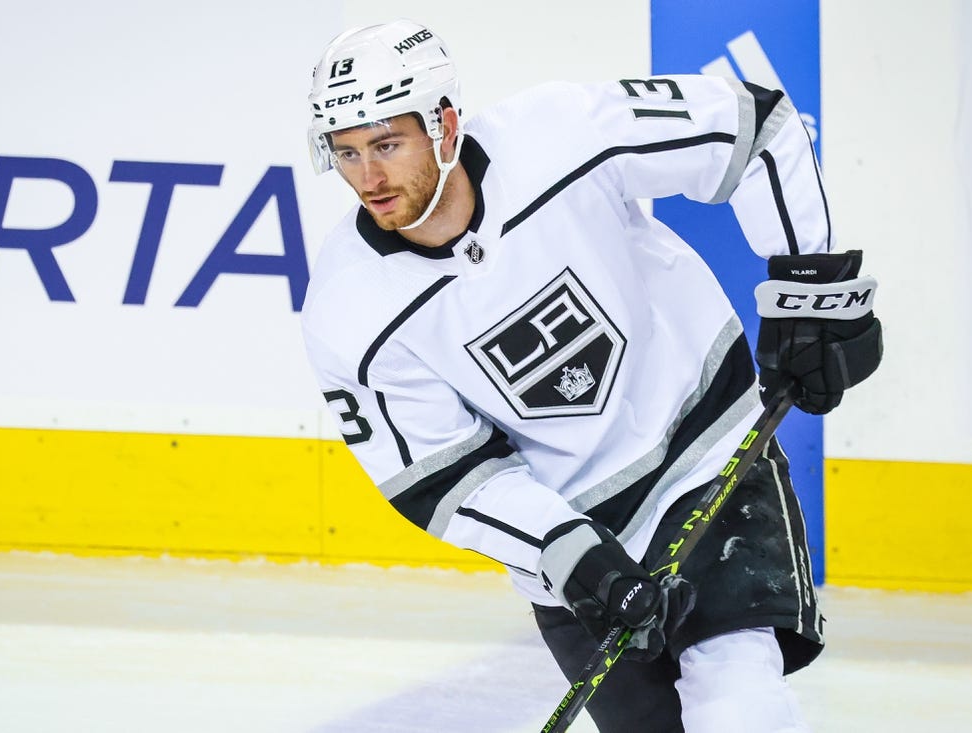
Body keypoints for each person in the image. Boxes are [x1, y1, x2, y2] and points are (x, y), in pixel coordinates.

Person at [300, 19, 882, 733]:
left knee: (740, 705)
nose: (369, 178)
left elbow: (754, 127)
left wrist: (811, 288)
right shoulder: (346, 309)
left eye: (387, 145)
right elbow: (441, 477)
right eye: (348, 152)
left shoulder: (558, 135)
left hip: (707, 460)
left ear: (444, 125)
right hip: (577, 534)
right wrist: (566, 551)